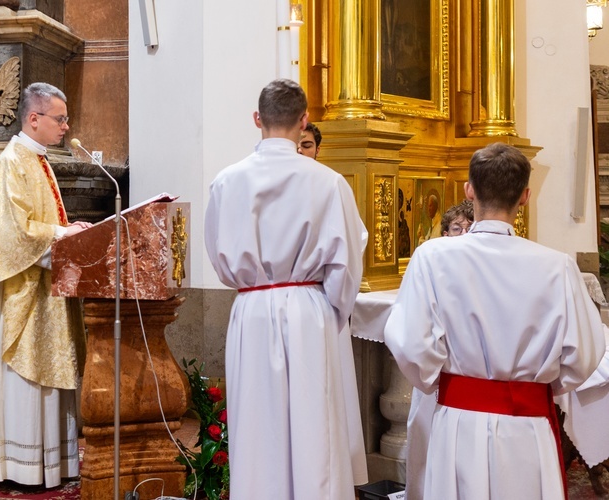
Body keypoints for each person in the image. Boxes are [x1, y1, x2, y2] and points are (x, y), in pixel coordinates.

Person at [384, 142, 605, 500]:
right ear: (525, 197)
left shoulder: (432, 257)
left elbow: (410, 343)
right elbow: (584, 354)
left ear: (469, 189)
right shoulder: (557, 266)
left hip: (458, 424)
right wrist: (536, 385)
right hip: (528, 428)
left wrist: (436, 379)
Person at [204, 78, 369, 500]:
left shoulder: (226, 182)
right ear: (304, 120)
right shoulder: (329, 182)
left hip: (252, 310)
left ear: (257, 119)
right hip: (309, 308)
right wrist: (330, 309)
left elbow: (218, 256)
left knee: (257, 425)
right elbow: (346, 266)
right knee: (314, 427)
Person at [0, 82, 91, 488]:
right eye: (60, 118)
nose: (66, 126)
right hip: (22, 296)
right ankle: (16, 466)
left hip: (43, 292)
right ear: (34, 119)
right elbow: (13, 234)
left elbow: (39, 225)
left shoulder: (38, 160)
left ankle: (52, 464)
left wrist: (68, 232)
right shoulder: (12, 163)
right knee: (24, 381)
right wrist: (64, 234)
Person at [405, 197, 474, 500]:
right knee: (427, 448)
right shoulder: (431, 262)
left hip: (468, 379)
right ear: (444, 234)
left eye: (470, 229)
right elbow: (414, 328)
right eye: (457, 229)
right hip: (435, 375)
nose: (463, 235)